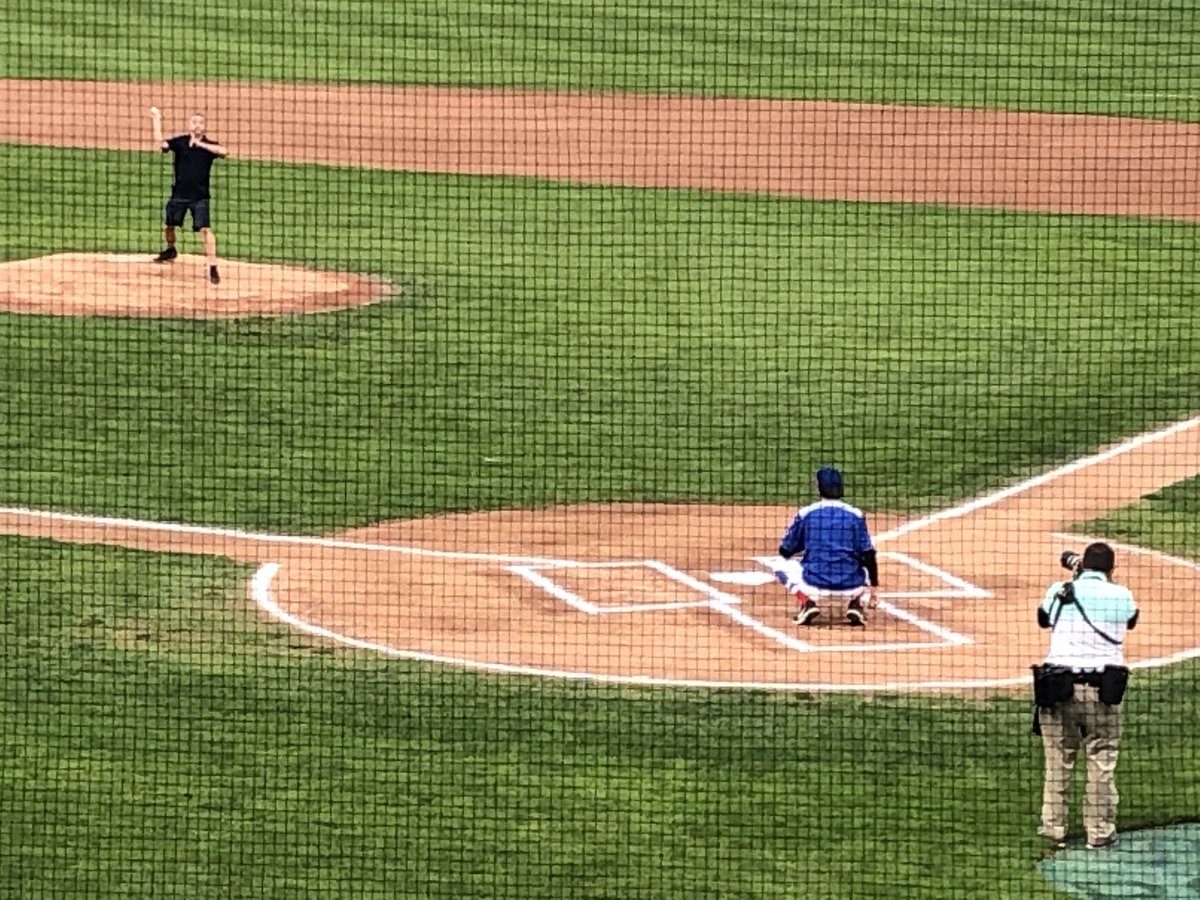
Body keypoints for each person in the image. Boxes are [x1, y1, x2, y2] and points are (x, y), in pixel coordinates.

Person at [1035, 542, 1139, 851]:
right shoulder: (1121, 594)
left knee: (1058, 761)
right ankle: (1100, 833)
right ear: (1111, 569)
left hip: (1057, 689)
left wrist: (1075, 581)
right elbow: (1130, 621)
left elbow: (1043, 619)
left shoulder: (1061, 590)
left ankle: (1054, 830)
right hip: (1101, 693)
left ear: (1081, 565)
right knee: (1101, 762)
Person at [774, 467, 880, 627]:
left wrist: (809, 544)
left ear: (819, 488)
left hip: (814, 587)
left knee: (779, 564)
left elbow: (785, 550)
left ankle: (807, 603)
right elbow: (868, 555)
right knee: (864, 557)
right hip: (852, 587)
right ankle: (856, 604)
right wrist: (874, 591)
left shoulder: (806, 513)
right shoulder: (856, 515)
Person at [148, 107, 228, 284]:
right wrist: (156, 120)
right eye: (194, 122)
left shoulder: (209, 145)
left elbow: (224, 151)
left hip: (200, 197)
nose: (197, 125)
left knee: (205, 229)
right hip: (179, 194)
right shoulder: (181, 142)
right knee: (169, 225)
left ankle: (213, 265)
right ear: (190, 125)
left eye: (200, 122)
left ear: (204, 126)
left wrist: (200, 144)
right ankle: (170, 250)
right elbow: (161, 144)